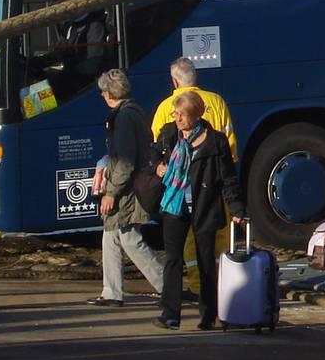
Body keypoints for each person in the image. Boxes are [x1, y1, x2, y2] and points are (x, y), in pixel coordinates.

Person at [152, 91, 244, 330]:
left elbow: (228, 178)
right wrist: (158, 166)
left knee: (205, 262)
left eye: (182, 115)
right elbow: (153, 155)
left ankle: (208, 315)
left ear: (196, 116)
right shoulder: (170, 134)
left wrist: (236, 207)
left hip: (204, 206)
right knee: (173, 259)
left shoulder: (216, 142)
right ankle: (170, 314)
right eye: (176, 113)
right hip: (175, 204)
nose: (177, 118)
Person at [89, 69, 164, 307]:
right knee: (111, 236)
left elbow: (125, 161)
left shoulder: (122, 118)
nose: (102, 96)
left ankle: (167, 286)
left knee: (129, 238)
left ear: (110, 94)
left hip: (126, 191)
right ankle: (111, 292)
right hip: (130, 185)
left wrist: (111, 192)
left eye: (103, 92)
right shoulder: (134, 112)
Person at [150, 58, 236, 156]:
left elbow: (156, 143)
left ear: (175, 82)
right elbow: (229, 137)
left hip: (180, 166)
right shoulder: (217, 101)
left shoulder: (164, 107)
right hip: (213, 164)